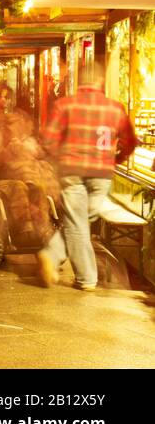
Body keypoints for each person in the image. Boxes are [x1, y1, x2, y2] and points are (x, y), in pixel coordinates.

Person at [36, 71, 138, 290]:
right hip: (101, 174)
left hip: (71, 171)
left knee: (77, 222)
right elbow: (130, 141)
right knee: (80, 222)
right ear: (101, 82)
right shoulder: (115, 108)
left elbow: (48, 139)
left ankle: (55, 258)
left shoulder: (65, 105)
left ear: (80, 83)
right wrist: (116, 159)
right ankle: (83, 276)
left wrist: (59, 159)